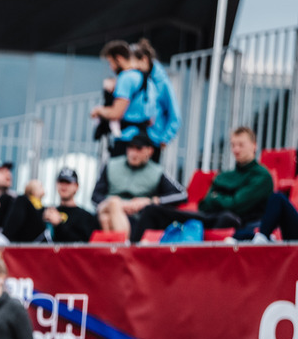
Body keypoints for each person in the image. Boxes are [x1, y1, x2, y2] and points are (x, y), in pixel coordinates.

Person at [133, 127, 273, 239]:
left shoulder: (261, 175)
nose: (236, 150)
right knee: (152, 210)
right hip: (209, 217)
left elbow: (236, 205)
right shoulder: (225, 175)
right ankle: (132, 252)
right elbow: (205, 204)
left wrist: (217, 198)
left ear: (254, 146)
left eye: (241, 145)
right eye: (233, 145)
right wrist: (222, 200)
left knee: (226, 218)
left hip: (238, 223)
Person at [91, 133, 187, 242]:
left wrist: (150, 201)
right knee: (114, 203)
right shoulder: (111, 165)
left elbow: (181, 195)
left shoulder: (157, 172)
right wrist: (120, 205)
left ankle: (116, 248)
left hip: (134, 218)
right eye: (130, 148)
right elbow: (95, 196)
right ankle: (124, 245)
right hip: (107, 207)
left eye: (139, 149)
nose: (133, 153)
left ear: (149, 151)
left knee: (105, 218)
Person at [91, 40, 157, 158]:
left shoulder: (126, 78)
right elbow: (152, 118)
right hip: (145, 141)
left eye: (111, 63)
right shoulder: (149, 81)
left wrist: (98, 110)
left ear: (119, 59)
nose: (111, 68)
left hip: (127, 141)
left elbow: (116, 113)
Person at [132, 39, 180, 162]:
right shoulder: (136, 79)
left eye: (135, 63)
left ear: (144, 59)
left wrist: (164, 138)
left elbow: (175, 115)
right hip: (134, 138)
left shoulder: (162, 82)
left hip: (153, 140)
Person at [43, 168, 99, 243]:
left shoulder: (86, 217)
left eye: (68, 182)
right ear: (56, 184)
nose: (64, 186)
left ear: (76, 186)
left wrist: (58, 225)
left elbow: (83, 245)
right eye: (61, 181)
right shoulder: (48, 212)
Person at [0, 179, 45, 243]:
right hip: (24, 235)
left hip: (31, 237)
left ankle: (3, 238)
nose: (43, 188)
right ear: (33, 191)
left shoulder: (42, 207)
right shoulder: (23, 203)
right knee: (6, 198)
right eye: (40, 186)